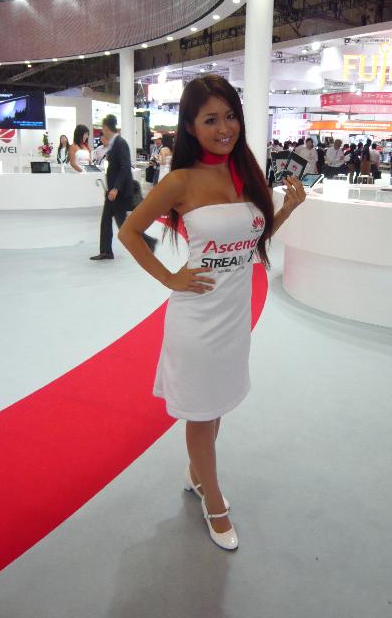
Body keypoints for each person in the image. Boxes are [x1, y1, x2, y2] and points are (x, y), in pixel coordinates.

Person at [117, 74, 306, 550]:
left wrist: (286, 210)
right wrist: (170, 278)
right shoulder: (180, 181)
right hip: (197, 319)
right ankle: (213, 500)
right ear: (190, 126)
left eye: (230, 116)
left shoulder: (246, 172)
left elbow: (249, 242)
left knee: (216, 406)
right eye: (210, 120)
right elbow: (129, 232)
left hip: (234, 316)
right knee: (201, 415)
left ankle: (197, 474)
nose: (225, 128)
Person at [90, 114, 157, 260]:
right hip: (113, 192)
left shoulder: (120, 143)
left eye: (103, 128)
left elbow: (125, 167)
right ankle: (106, 251)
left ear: (106, 127)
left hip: (118, 193)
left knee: (123, 225)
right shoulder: (114, 143)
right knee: (107, 221)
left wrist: (116, 188)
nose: (102, 131)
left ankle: (148, 242)